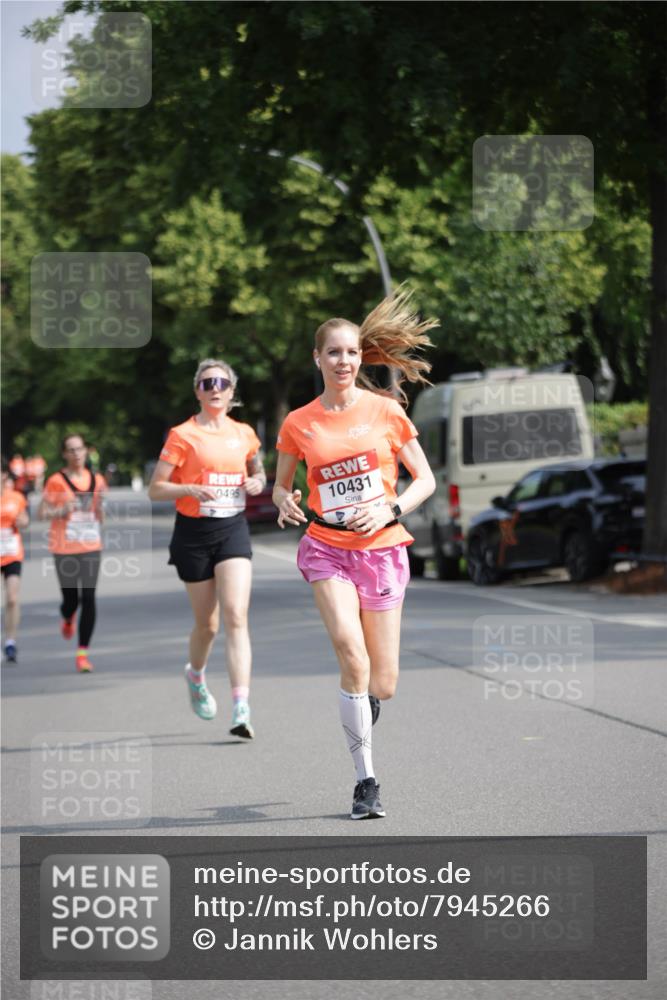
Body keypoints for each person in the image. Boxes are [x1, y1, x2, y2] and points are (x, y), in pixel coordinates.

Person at [274, 288, 437, 819]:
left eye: (350, 352)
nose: (343, 361)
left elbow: (425, 480)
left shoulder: (386, 412)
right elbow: (281, 485)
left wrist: (391, 508)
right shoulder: (299, 422)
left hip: (382, 550)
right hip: (327, 547)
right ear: (317, 359)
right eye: (333, 352)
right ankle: (366, 781)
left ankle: (363, 702)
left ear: (360, 358)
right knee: (351, 653)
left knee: (381, 682)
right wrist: (283, 500)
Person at [148, 359, 266, 739]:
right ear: (197, 391)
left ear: (232, 392)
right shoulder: (183, 435)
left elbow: (258, 471)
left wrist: (257, 482)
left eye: (222, 383)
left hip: (232, 529)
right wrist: (188, 489)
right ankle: (196, 675)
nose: (215, 388)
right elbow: (156, 488)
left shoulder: (244, 433)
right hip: (193, 533)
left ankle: (241, 707)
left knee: (236, 615)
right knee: (208, 625)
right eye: (207, 383)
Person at [39, 434, 106, 673]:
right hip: (64, 547)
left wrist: (100, 511)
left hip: (90, 546)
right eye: (71, 450)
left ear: (86, 451)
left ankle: (82, 654)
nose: (76, 453)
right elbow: (42, 513)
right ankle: (68, 617)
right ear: (64, 454)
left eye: (80, 449)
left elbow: (100, 512)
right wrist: (61, 510)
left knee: (88, 597)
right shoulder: (56, 481)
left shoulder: (97, 479)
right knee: (71, 600)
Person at [1, 457, 29, 663]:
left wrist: (23, 521)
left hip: (11, 552)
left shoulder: (16, 497)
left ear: (4, 475)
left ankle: (10, 641)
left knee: (12, 598)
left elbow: (25, 519)